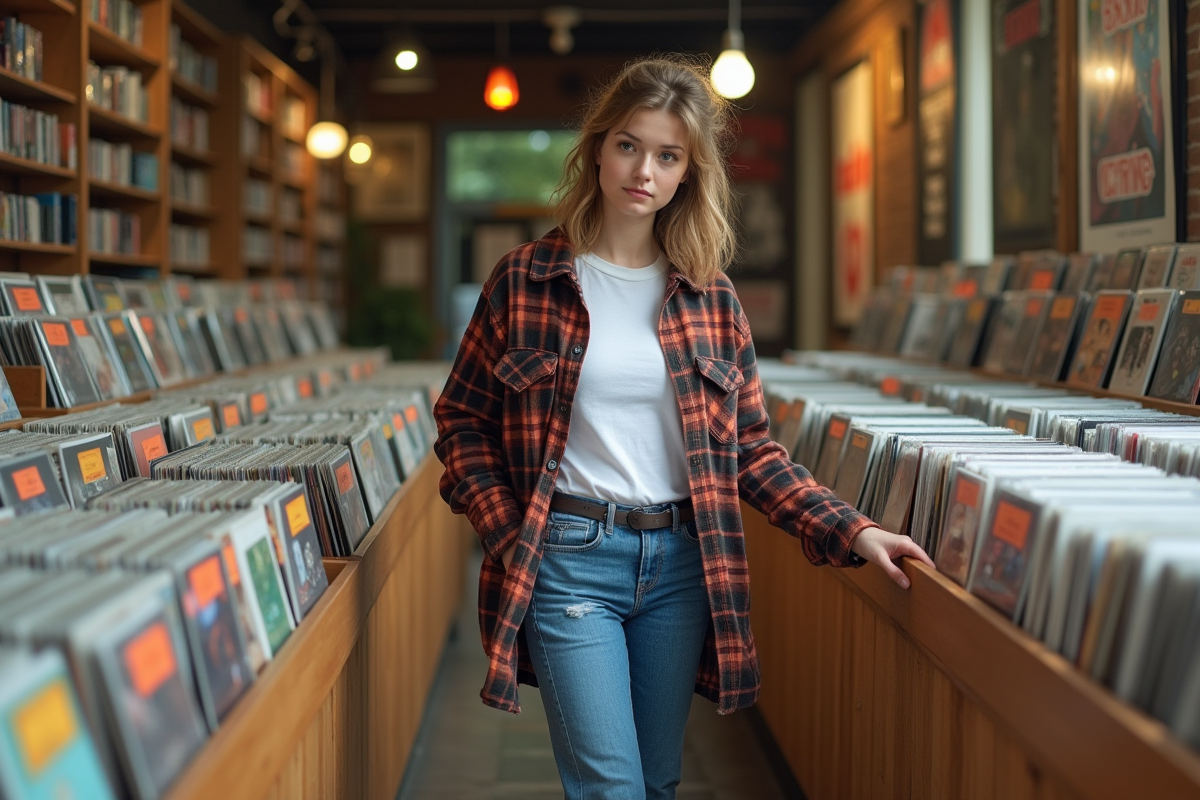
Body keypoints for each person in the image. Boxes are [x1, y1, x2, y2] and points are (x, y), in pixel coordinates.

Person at [434, 55, 935, 800]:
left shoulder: (711, 299)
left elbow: (751, 451)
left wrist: (851, 529)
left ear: (687, 175)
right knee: (612, 788)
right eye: (630, 145)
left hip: (680, 568)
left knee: (658, 784)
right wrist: (511, 533)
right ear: (599, 149)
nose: (644, 170)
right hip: (568, 560)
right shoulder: (524, 280)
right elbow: (462, 421)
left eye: (668, 156)